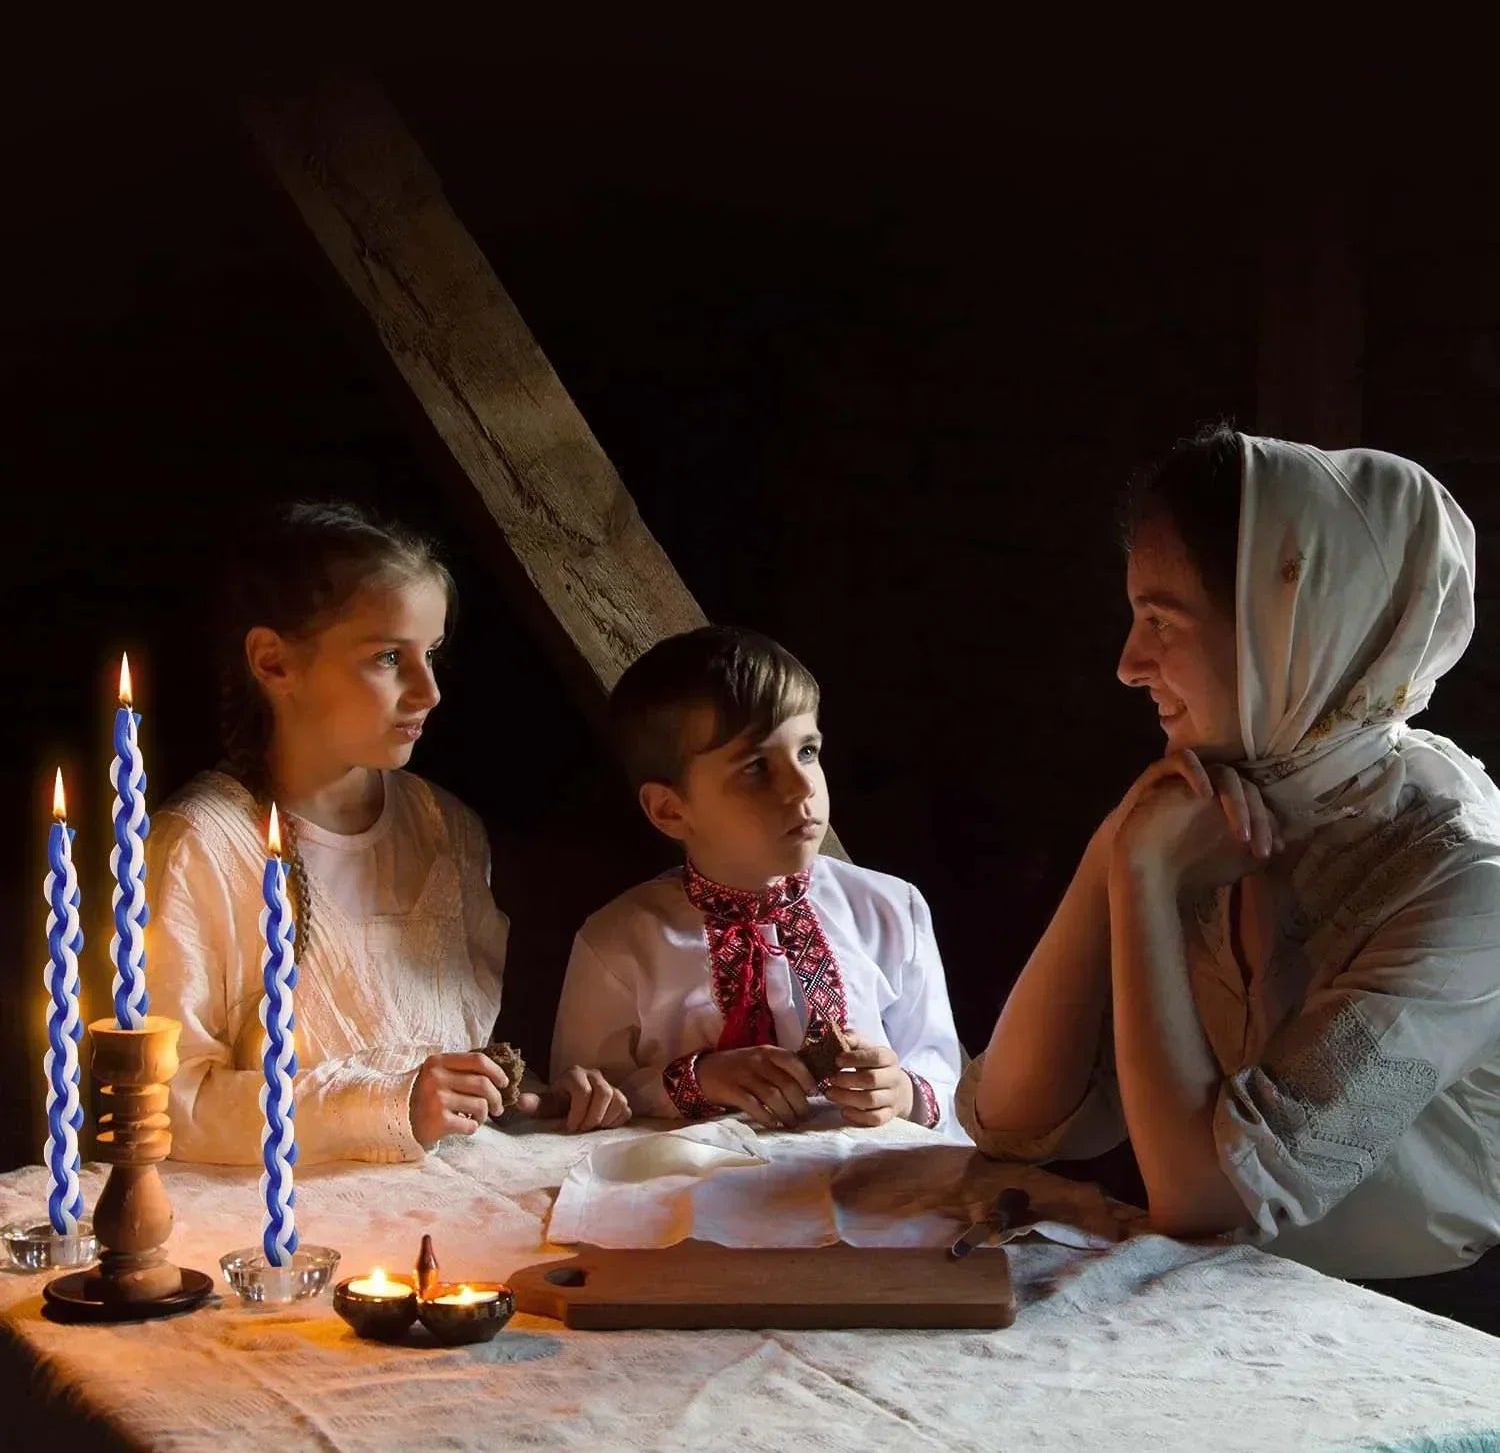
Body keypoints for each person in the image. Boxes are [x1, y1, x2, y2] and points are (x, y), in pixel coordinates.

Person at [961, 425, 1500, 1327]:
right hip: (1220, 1297)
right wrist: (1115, 846)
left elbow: (1206, 1199)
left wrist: (1137, 878)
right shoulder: (1212, 810)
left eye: (1163, 621)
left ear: (1290, 629)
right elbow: (1013, 1118)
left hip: (1423, 1333)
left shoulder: (1462, 879)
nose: (1129, 665)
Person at [149, 501, 630, 1165]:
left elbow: (438, 1060)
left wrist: (533, 1098)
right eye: (387, 658)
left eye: (431, 653)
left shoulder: (447, 831)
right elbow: (173, 1105)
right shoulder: (200, 846)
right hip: (279, 1222)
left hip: (453, 1205)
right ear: (273, 663)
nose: (428, 690)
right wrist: (386, 1106)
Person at [551, 625, 966, 1135]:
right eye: (755, 768)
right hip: (680, 1201)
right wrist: (694, 1081)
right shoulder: (618, 941)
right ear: (670, 809)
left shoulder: (891, 909)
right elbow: (578, 1102)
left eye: (807, 752)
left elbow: (947, 1084)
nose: (801, 788)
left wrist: (901, 1091)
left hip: (868, 1197)